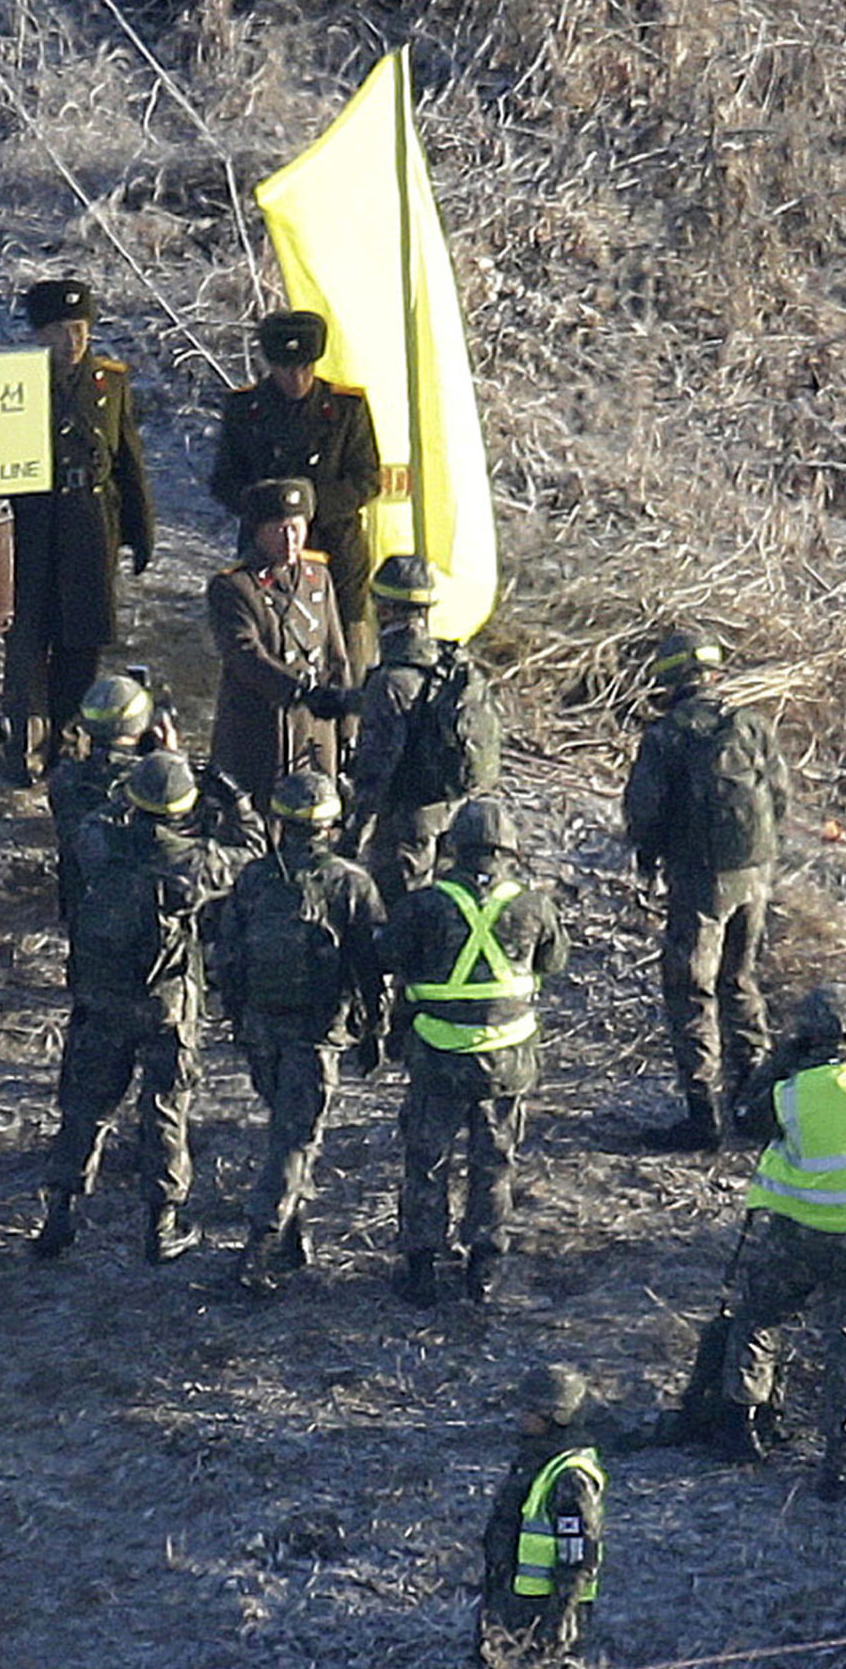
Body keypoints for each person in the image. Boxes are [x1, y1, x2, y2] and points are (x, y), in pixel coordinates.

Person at [662, 984, 846, 1487]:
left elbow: (745, 1120)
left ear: (804, 1035)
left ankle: (744, 1425)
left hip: (801, 1237)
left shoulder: (790, 1093)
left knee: (758, 1317)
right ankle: (840, 1459)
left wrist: (775, 1063)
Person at [35, 751, 264, 1263]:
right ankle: (161, 1226)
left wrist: (132, 781)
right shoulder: (193, 862)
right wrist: (235, 798)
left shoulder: (98, 844)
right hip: (165, 1005)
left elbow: (92, 819)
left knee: (84, 1108)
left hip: (99, 998)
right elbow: (251, 851)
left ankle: (59, 1216)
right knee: (164, 1110)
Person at [378, 798, 569, 1306]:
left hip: (439, 1054)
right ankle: (484, 1268)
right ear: (509, 850)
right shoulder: (533, 905)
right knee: (494, 1162)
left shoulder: (425, 904)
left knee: (426, 1159)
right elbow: (554, 959)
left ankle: (421, 1268)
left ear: (453, 847)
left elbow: (387, 955)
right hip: (507, 1060)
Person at [208, 769, 387, 1293]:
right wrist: (375, 1028)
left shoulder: (255, 878)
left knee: (287, 1125)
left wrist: (236, 1018)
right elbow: (372, 965)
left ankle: (291, 1235)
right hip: (318, 1031)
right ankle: (259, 1244)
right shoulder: (352, 883)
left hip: (260, 1026)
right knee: (295, 1137)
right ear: (332, 825)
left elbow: (229, 953)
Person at [620, 629, 791, 1151]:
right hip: (756, 871)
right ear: (715, 674)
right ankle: (756, 1103)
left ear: (667, 679)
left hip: (700, 878)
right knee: (739, 981)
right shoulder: (753, 725)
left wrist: (647, 860)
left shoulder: (666, 736)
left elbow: (643, 812)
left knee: (690, 989)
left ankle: (703, 1117)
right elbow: (779, 795)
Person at [4, 277, 154, 782]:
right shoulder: (14, 384)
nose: (75, 341)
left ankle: (69, 741)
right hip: (31, 524)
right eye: (63, 330)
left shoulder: (109, 382)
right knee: (28, 639)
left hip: (90, 526)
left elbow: (127, 459)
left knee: (82, 640)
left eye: (82, 329)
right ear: (40, 334)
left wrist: (140, 530)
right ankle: (28, 745)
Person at [327, 553, 502, 903]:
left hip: (406, 821)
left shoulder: (390, 681)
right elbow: (414, 705)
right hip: (450, 810)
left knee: (403, 910)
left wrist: (353, 835)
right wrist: (346, 700)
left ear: (385, 610)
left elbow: (377, 770)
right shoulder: (446, 662)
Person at [209, 308, 381, 661]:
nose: (296, 378)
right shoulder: (246, 409)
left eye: (305, 367)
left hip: (335, 550)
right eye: (287, 369)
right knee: (273, 648)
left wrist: (308, 510)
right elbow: (224, 481)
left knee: (347, 654)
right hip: (268, 554)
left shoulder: (345, 408)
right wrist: (267, 512)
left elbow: (367, 477)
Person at [207, 477, 352, 803]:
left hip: (314, 735)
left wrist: (348, 727)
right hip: (259, 733)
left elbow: (335, 654)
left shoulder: (318, 575)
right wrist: (297, 690)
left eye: (296, 528)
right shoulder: (234, 587)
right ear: (258, 531)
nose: (290, 539)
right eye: (278, 529)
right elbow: (244, 654)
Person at [476, 1365, 605, 1669]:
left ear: (556, 1416)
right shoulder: (533, 1460)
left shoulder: (571, 1477)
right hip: (510, 1601)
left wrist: (560, 1619)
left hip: (542, 1612)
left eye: (530, 1409)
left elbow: (577, 1558)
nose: (521, 1416)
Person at [46, 672, 170, 923]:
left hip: (81, 903)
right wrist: (171, 759)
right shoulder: (146, 779)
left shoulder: (64, 777)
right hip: (139, 912)